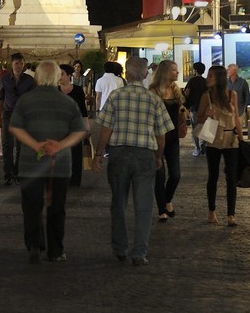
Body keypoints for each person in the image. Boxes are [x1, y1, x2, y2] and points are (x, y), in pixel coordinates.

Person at [90, 57, 173, 266]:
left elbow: (105, 128)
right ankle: (139, 253)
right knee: (144, 206)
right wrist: (158, 156)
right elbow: (161, 134)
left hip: (119, 154)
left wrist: (99, 154)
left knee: (118, 202)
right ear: (146, 74)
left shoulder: (116, 96)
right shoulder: (153, 99)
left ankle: (120, 248)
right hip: (145, 154)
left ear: (126, 74)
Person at [8, 61, 88, 264]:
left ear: (37, 77)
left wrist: (36, 146)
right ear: (55, 78)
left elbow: (15, 127)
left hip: (29, 163)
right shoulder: (67, 102)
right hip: (59, 164)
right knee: (56, 207)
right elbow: (80, 130)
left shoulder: (25, 100)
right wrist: (60, 146)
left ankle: (34, 245)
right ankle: (55, 250)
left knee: (32, 206)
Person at [194, 64, 242, 226]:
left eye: (211, 76)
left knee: (231, 177)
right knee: (213, 176)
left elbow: (236, 118)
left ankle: (231, 214)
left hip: (230, 138)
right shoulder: (206, 96)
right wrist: (206, 115)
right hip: (213, 138)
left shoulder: (231, 95)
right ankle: (212, 211)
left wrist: (241, 138)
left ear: (219, 79)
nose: (207, 79)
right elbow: (198, 118)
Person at [147, 59, 185, 220]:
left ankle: (167, 199)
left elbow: (182, 110)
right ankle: (162, 209)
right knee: (159, 175)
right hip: (157, 136)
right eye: (174, 70)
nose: (177, 73)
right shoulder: (154, 91)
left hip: (173, 137)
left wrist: (183, 113)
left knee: (175, 175)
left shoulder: (176, 90)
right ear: (165, 72)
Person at [0, 53, 36, 185]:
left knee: (22, 146)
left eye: (21, 63)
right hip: (8, 113)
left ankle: (18, 173)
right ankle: (8, 174)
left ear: (24, 64)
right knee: (7, 145)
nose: (19, 66)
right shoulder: (4, 79)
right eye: (16, 63)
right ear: (11, 64)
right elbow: (0, 99)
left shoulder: (30, 81)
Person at [56, 64, 88, 187]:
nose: (60, 77)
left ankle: (75, 180)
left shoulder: (78, 90)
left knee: (75, 154)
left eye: (62, 74)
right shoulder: (55, 90)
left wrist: (86, 126)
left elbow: (83, 110)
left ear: (69, 75)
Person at [182, 62, 209, 156]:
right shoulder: (206, 81)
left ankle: (197, 148)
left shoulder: (192, 81)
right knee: (205, 127)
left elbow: (187, 93)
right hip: (205, 109)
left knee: (195, 128)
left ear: (195, 70)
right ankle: (203, 145)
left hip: (194, 108)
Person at [226, 62, 250, 131]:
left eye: (229, 70)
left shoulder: (243, 82)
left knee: (238, 130)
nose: (227, 71)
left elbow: (247, 95)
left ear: (234, 71)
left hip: (239, 111)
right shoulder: (225, 82)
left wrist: (245, 108)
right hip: (227, 112)